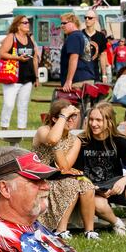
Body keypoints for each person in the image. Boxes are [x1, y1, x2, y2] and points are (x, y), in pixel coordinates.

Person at [79, 105, 126, 236]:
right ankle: (117, 223)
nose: (93, 124)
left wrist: (123, 182)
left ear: (109, 121)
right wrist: (94, 188)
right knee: (96, 203)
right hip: (93, 190)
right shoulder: (82, 141)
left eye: (98, 120)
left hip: (116, 186)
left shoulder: (119, 140)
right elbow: (76, 172)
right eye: (91, 119)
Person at [32, 99, 95, 238]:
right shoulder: (44, 131)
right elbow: (53, 140)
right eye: (67, 117)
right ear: (55, 118)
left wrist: (67, 170)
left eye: (73, 116)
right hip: (40, 177)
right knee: (70, 183)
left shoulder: (75, 140)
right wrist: (61, 123)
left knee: (87, 185)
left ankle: (89, 231)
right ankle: (61, 230)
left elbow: (65, 167)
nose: (71, 120)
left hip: (58, 176)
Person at [0, 16, 38, 130]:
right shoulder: (12, 37)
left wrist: (37, 77)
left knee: (23, 105)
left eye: (28, 22)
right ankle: (4, 128)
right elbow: (2, 53)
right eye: (24, 23)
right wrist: (17, 58)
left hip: (28, 77)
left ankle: (22, 129)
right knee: (9, 104)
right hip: (12, 77)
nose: (27, 24)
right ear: (18, 25)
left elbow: (35, 58)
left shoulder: (30, 38)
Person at [59, 13, 97, 96]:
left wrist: (69, 80)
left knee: (73, 109)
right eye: (61, 23)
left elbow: (74, 58)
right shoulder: (81, 35)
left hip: (78, 81)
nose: (62, 26)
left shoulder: (74, 37)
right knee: (84, 108)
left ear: (73, 23)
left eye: (64, 23)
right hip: (87, 79)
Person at [83, 10, 109, 82]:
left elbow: (102, 55)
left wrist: (104, 75)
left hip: (95, 72)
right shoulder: (79, 35)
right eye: (85, 17)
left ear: (95, 19)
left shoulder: (101, 36)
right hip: (81, 73)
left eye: (90, 18)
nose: (87, 19)